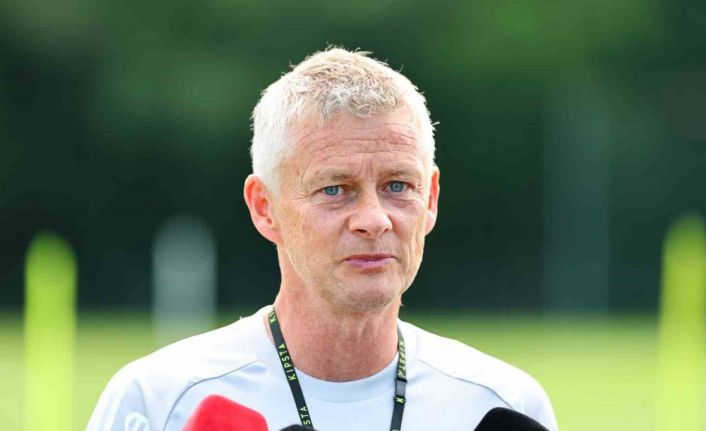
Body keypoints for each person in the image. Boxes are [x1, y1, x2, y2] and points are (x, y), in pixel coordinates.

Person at [87, 48, 558, 431]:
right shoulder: (160, 403)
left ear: (430, 198)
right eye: (335, 189)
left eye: (397, 185)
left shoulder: (503, 406)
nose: (373, 220)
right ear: (264, 207)